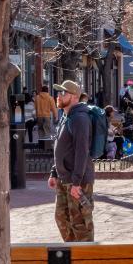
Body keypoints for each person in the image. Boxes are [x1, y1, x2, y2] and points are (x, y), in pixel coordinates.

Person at [49, 80, 95, 242]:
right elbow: (61, 147)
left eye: (63, 93)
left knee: (80, 223)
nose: (59, 96)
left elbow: (82, 151)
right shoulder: (66, 116)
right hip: (64, 179)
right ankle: (73, 255)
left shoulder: (80, 118)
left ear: (75, 97)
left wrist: (76, 183)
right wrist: (54, 172)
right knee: (62, 218)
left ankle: (86, 261)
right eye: (59, 92)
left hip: (78, 181)